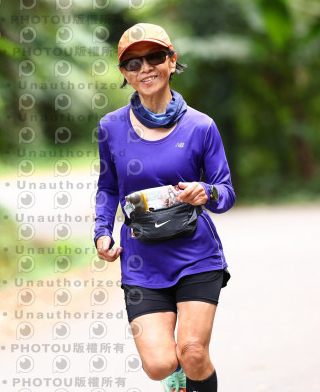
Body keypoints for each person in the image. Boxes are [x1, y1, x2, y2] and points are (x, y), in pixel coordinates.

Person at [93, 23, 235, 392]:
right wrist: (102, 232)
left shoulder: (201, 126)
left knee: (192, 352)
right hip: (142, 261)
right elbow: (108, 187)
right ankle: (178, 381)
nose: (145, 68)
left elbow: (225, 193)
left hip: (195, 255)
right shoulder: (110, 128)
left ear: (172, 61)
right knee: (160, 365)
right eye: (133, 63)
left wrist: (206, 192)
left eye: (155, 57)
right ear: (125, 73)